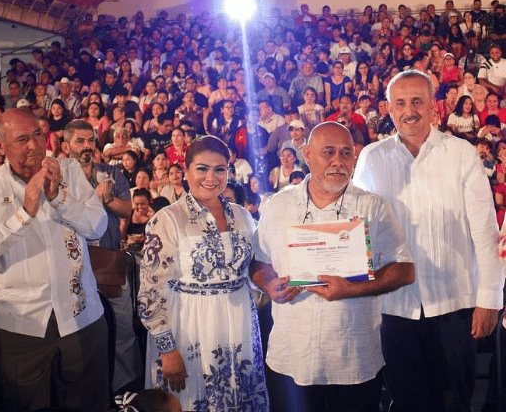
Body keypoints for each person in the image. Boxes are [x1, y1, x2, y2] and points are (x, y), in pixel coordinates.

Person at [354, 70, 505, 411]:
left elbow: (484, 232)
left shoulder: (461, 153)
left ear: (434, 106)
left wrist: (490, 300)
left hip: (454, 304)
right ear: (389, 109)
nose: (410, 110)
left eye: (417, 101)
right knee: (405, 401)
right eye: (401, 103)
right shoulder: (372, 158)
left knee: (454, 402)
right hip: (394, 307)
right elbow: (358, 227)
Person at [251, 122, 414, 412]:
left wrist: (353, 289)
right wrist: (269, 284)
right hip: (291, 357)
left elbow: (403, 269)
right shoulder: (278, 206)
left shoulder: (373, 207)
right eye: (328, 152)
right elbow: (259, 262)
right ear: (307, 153)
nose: (338, 161)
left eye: (346, 153)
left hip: (354, 357)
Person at [0, 109, 109, 412]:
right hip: (20, 324)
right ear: (2, 145)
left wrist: (58, 198)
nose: (33, 144)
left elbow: (98, 226)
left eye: (38, 135)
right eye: (22, 139)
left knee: (88, 403)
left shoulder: (67, 171)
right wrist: (23, 215)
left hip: (80, 316)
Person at [138, 135, 268, 411]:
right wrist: (168, 350)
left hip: (239, 324)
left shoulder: (242, 216)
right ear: (185, 171)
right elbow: (151, 291)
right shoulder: (168, 219)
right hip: (189, 327)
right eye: (202, 168)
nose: (211, 177)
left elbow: (256, 265)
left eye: (220, 169)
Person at [61, 119, 142, 392]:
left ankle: (124, 388)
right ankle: (82, 388)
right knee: (74, 329)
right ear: (66, 145)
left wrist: (106, 199)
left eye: (90, 140)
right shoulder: (58, 175)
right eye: (79, 141)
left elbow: (127, 210)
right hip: (70, 264)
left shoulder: (111, 173)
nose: (86, 146)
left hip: (108, 259)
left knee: (122, 327)